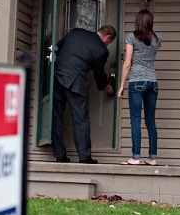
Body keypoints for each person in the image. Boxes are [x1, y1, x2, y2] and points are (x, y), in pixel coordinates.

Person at [52, 25, 116, 164]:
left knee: (57, 116)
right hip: (75, 82)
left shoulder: (75, 32)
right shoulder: (101, 50)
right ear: (108, 37)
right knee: (80, 119)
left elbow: (57, 48)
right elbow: (99, 74)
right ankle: (84, 157)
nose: (107, 44)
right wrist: (106, 86)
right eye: (109, 42)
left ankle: (59, 155)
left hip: (56, 77)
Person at [118, 9, 161, 166]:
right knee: (150, 120)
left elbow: (127, 63)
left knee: (135, 120)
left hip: (136, 82)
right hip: (152, 82)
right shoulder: (157, 39)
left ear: (138, 21)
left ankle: (135, 157)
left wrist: (122, 85)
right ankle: (152, 158)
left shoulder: (131, 37)